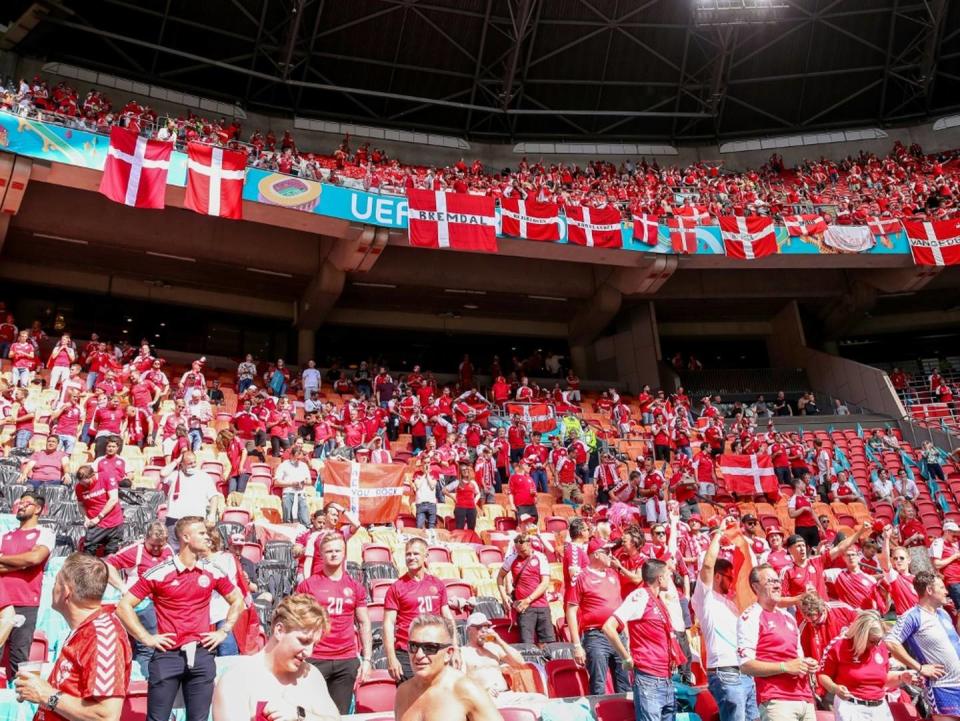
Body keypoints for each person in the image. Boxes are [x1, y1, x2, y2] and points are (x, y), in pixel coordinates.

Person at [116, 516, 244, 721]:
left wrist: (224, 630)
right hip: (167, 655)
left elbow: (238, 600)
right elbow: (123, 607)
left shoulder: (212, 570)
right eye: (201, 533)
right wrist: (147, 638)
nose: (207, 537)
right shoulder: (159, 573)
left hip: (202, 653)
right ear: (186, 537)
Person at [13, 553, 131, 721]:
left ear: (66, 592)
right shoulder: (85, 628)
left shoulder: (103, 636)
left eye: (55, 582)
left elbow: (106, 716)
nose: (52, 588)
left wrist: (46, 695)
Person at [212, 594, 340, 721]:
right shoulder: (237, 680)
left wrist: (299, 715)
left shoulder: (310, 675)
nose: (309, 652)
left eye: (314, 644)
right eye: (304, 641)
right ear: (279, 630)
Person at [296, 534, 372, 714]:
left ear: (344, 553)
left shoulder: (355, 586)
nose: (333, 554)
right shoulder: (308, 585)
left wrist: (367, 659)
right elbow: (295, 620)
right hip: (314, 658)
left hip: (345, 660)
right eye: (329, 551)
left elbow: (364, 623)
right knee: (310, 713)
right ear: (321, 554)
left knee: (339, 714)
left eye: (338, 550)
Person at [693, 518, 759, 721]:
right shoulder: (704, 599)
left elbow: (753, 570)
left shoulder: (732, 603)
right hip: (725, 672)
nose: (733, 582)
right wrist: (719, 534)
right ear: (718, 576)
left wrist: (744, 542)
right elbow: (706, 567)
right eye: (730, 577)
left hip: (746, 672)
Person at [603, 558, 682, 721]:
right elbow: (608, 627)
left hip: (666, 679)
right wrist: (626, 657)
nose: (670, 578)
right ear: (660, 578)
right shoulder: (640, 596)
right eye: (668, 575)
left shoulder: (658, 600)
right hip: (649, 680)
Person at [738, 563, 818, 721]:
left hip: (805, 699)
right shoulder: (750, 617)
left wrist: (807, 664)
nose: (776, 585)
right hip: (777, 700)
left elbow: (797, 659)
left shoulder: (789, 617)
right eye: (770, 581)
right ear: (756, 587)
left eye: (777, 581)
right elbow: (745, 664)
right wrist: (785, 667)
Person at [395, 614, 500, 721]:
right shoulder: (403, 692)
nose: (419, 655)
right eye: (413, 646)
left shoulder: (467, 690)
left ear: (448, 654)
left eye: (430, 648)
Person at [885, 570, 958, 715]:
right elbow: (891, 642)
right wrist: (920, 668)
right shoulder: (912, 616)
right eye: (942, 588)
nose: (946, 592)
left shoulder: (943, 613)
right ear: (929, 590)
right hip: (942, 687)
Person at [384, 538, 457, 682]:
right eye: (408, 554)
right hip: (408, 652)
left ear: (426, 555)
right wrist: (391, 658)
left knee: (436, 698)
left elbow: (448, 618)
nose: (411, 558)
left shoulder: (437, 584)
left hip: (434, 650)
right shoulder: (396, 588)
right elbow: (388, 624)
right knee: (411, 700)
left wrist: (455, 649)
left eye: (416, 554)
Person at [818, 611, 914, 721]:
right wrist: (835, 688)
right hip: (851, 706)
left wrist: (901, 677)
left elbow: (882, 679)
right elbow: (822, 676)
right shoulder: (839, 645)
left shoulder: (881, 647)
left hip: (879, 706)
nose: (876, 645)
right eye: (872, 641)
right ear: (861, 635)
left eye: (878, 641)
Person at [106, 522, 174, 677]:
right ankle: (147, 680)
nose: (156, 549)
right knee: (147, 647)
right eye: (153, 545)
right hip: (140, 605)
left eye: (160, 546)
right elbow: (108, 565)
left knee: (151, 646)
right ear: (145, 539)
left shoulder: (168, 550)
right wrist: (123, 588)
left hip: (160, 605)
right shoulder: (135, 551)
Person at [0, 490, 54, 676]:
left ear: (38, 509)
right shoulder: (6, 535)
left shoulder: (45, 533)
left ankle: (17, 703)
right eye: (19, 502)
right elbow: (28, 562)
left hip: (26, 602)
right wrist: (22, 565)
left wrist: (6, 559)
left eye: (27, 502)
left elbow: (34, 558)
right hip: (2, 601)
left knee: (19, 657)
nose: (21, 505)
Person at [566, 537, 629, 696]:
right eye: (607, 552)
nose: (611, 555)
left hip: (618, 635)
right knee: (598, 683)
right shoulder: (581, 577)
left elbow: (620, 605)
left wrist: (626, 634)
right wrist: (577, 645)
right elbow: (571, 610)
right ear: (596, 554)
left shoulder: (614, 574)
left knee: (624, 683)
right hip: (596, 636)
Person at [460, 612, 547, 710]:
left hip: (507, 695)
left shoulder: (493, 647)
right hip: (485, 699)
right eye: (479, 627)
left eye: (486, 627)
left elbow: (520, 662)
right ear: (469, 629)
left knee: (541, 699)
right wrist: (482, 691)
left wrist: (500, 642)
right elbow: (460, 683)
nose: (484, 631)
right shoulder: (463, 652)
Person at [496, 532, 555, 645]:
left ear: (529, 545)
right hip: (524, 609)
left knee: (548, 644)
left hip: (541, 606)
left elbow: (544, 583)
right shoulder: (512, 558)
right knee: (527, 645)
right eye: (518, 551)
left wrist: (528, 600)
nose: (521, 554)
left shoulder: (540, 557)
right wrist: (504, 596)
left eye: (523, 551)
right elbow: (500, 577)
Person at [160, 452, 219, 548]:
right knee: (172, 550)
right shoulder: (174, 475)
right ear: (182, 464)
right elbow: (162, 473)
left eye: (194, 462)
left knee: (194, 549)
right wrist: (176, 461)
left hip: (195, 521)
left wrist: (212, 515)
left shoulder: (204, 477)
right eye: (189, 463)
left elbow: (214, 497)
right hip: (174, 521)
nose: (193, 465)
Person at [275, 448, 312, 526]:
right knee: (287, 520)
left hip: (301, 493)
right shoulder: (284, 465)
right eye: (296, 458)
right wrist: (291, 484)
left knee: (305, 519)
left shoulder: (303, 465)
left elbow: (310, 482)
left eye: (300, 459)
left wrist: (303, 482)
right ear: (291, 455)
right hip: (288, 492)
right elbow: (276, 482)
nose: (298, 461)